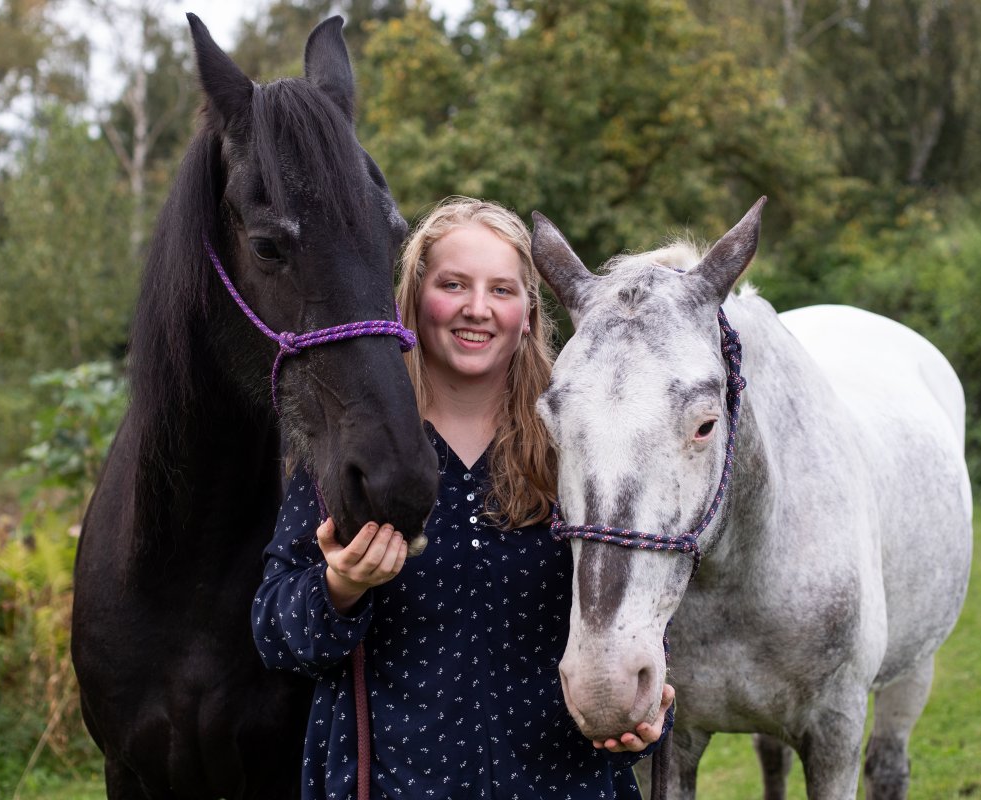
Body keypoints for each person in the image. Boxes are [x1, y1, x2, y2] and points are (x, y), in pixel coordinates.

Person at [252, 197, 674, 799]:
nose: (478, 309)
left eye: (502, 290)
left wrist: (646, 720)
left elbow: (640, 636)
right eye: (454, 284)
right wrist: (338, 588)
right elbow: (275, 636)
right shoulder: (354, 451)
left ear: (528, 312)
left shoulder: (581, 454)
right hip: (390, 785)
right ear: (414, 300)